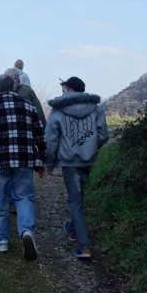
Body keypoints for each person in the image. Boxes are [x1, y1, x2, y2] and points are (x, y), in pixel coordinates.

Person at [0, 74, 47, 261]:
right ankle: (27, 231)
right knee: (24, 197)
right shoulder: (28, 106)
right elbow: (40, 135)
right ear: (14, 87)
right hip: (24, 159)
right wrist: (42, 161)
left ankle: (1, 239)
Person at [45, 76, 109, 259]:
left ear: (71, 90)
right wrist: (90, 149)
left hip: (69, 163)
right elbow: (103, 135)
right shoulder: (95, 110)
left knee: (75, 201)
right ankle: (73, 229)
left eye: (64, 89)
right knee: (78, 196)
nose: (62, 92)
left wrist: (50, 161)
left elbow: (51, 139)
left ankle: (84, 246)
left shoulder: (57, 111)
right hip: (87, 161)